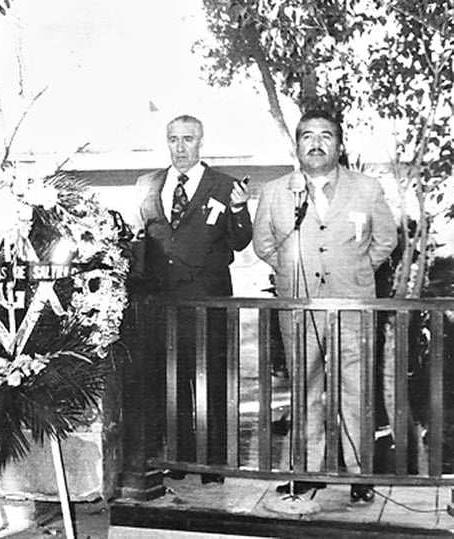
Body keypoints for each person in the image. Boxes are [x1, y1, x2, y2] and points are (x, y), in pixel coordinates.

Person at [252, 109, 397, 502]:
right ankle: (307, 471)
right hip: (299, 307)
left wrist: (358, 269)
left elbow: (386, 238)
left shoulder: (366, 188)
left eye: (325, 136)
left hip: (353, 305)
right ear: (297, 144)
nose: (316, 143)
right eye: (307, 136)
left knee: (356, 389)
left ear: (340, 143)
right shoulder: (275, 191)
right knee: (304, 388)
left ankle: (360, 474)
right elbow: (264, 244)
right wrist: (291, 270)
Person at [135, 114, 252, 483]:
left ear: (201, 142)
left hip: (208, 299)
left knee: (212, 380)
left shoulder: (225, 185)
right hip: (162, 302)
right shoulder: (147, 184)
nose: (181, 147)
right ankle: (181, 458)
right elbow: (143, 238)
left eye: (188, 139)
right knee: (171, 382)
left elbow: (239, 241)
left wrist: (238, 209)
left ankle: (213, 464)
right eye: (173, 139)